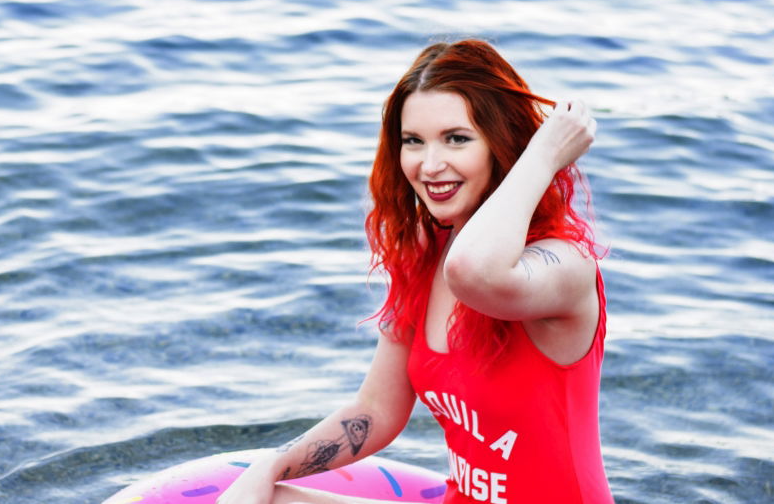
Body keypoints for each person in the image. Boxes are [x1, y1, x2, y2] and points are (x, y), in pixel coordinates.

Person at [217, 40, 612, 504]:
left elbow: (475, 273)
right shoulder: (425, 255)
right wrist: (269, 467)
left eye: (457, 139)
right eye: (413, 141)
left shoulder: (565, 264)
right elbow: (376, 409)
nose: (430, 165)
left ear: (502, 144)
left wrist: (543, 156)